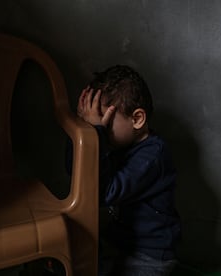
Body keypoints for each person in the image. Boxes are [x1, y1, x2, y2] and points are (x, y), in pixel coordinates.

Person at [70, 65, 181, 276]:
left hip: (150, 256)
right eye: (97, 122)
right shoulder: (116, 144)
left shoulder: (154, 155)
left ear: (137, 119)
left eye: (105, 122)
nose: (100, 126)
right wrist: (84, 131)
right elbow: (75, 172)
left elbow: (104, 193)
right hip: (118, 244)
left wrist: (97, 134)